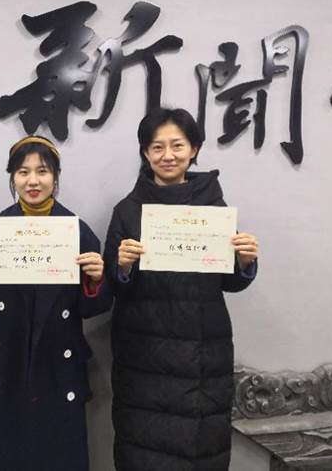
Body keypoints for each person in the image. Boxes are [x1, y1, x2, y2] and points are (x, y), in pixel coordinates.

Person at [104, 109, 259, 471]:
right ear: (145, 153)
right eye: (157, 147)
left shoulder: (214, 209)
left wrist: (245, 261)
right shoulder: (127, 210)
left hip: (203, 351)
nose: (168, 155)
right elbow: (112, 286)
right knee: (143, 451)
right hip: (144, 355)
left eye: (177, 145)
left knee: (200, 449)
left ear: (194, 149)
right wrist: (121, 266)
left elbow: (230, 282)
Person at [0, 136, 112, 471]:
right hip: (7, 361)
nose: (33, 180)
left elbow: (92, 309)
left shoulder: (78, 232)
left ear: (55, 177)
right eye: (23, 172)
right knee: (3, 453)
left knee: (60, 455)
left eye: (42, 171)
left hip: (58, 363)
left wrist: (96, 281)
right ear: (12, 177)